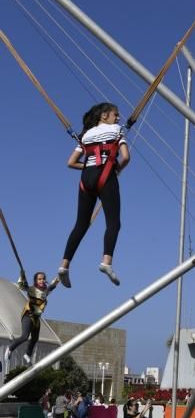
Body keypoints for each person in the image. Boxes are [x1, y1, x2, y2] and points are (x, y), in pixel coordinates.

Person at [57, 102, 130, 288]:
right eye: (115, 114)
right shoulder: (116, 130)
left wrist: (90, 166)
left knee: (80, 224)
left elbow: (71, 162)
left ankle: (64, 266)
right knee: (114, 222)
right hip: (106, 177)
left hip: (86, 179)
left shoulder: (86, 135)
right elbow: (126, 157)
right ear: (104, 116)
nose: (118, 118)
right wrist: (116, 170)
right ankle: (106, 262)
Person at [5, 270, 59, 366]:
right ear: (35, 281)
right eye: (39, 279)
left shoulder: (46, 291)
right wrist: (22, 276)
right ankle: (10, 348)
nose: (42, 280)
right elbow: (22, 286)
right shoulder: (31, 289)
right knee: (25, 336)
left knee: (35, 338)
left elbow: (52, 286)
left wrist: (59, 278)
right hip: (28, 315)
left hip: (36, 319)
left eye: (43, 279)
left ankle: (27, 355)